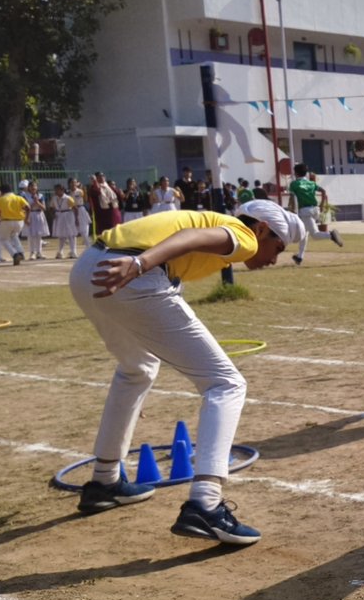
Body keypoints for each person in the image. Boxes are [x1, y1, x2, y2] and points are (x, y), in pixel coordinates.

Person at [69, 198, 289, 542]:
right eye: (278, 247)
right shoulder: (244, 235)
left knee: (137, 370)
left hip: (89, 269)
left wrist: (139, 264)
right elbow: (189, 238)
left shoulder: (211, 224)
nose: (274, 259)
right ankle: (205, 504)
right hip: (129, 270)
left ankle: (104, 481)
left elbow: (178, 259)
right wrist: (140, 264)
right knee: (226, 384)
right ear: (262, 229)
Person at [287, 169, 344, 264]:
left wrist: (291, 209)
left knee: (315, 234)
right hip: (314, 210)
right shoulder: (311, 183)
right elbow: (323, 191)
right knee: (304, 234)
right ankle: (299, 257)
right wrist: (321, 205)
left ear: (296, 173)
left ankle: (331, 235)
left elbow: (292, 197)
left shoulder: (294, 184)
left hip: (305, 211)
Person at [0, 183, 31, 265]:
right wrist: (27, 218)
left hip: (6, 221)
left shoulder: (0, 199)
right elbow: (28, 208)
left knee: (3, 239)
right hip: (19, 222)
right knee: (14, 235)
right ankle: (20, 252)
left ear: (2, 191)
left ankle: (15, 254)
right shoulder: (18, 197)